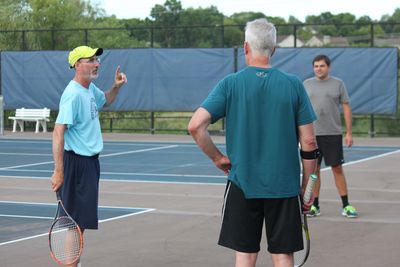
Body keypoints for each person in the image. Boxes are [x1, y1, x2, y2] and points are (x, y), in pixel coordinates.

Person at [188, 18, 319, 267]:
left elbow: (195, 126)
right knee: (283, 255)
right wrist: (307, 186)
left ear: (245, 47)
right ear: (274, 50)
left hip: (242, 183)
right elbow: (309, 142)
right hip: (284, 186)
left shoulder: (230, 84)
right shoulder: (293, 85)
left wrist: (218, 158)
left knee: (245, 255)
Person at [50, 45, 128, 267]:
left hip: (90, 164)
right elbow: (58, 132)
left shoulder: (89, 89)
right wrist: (58, 171)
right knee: (72, 224)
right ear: (77, 65)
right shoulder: (72, 95)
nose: (97, 64)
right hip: (76, 164)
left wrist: (117, 86)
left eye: (97, 60)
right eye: (91, 60)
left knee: (79, 222)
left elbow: (107, 100)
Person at [303, 54, 358, 218]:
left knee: (337, 169)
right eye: (316, 66)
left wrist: (349, 132)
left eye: (322, 66)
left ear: (328, 67)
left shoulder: (338, 84)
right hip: (312, 136)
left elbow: (346, 107)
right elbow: (300, 109)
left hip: (332, 134)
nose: (318, 69)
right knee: (315, 171)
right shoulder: (306, 84)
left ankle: (346, 205)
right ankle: (315, 205)